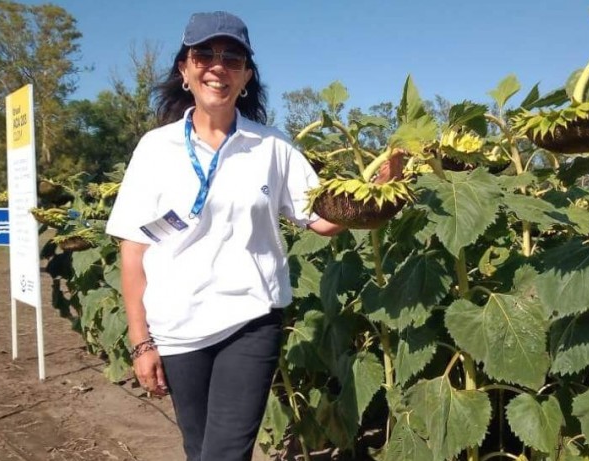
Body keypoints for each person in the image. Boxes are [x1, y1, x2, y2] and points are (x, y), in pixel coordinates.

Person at [105, 11, 400, 461]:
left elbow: (322, 221)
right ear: (185, 69)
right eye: (204, 55)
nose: (217, 66)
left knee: (225, 453)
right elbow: (133, 250)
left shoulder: (272, 147)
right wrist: (142, 341)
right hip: (177, 329)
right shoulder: (155, 149)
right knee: (199, 449)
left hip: (250, 320)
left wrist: (379, 191)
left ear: (245, 76)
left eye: (232, 58)